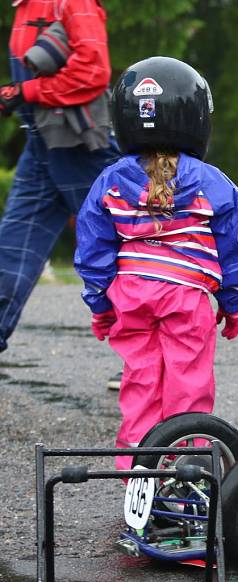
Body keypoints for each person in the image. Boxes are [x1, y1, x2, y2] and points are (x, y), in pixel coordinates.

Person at [74, 56, 238, 469]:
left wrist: (101, 307)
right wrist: (232, 303)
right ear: (195, 118)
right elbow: (232, 251)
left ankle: (137, 476)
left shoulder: (110, 181)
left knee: (139, 385)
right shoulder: (213, 182)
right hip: (186, 300)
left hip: (130, 296)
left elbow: (93, 252)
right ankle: (185, 474)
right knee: (187, 388)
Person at [0, 0, 118, 354]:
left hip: (82, 145)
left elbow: (94, 70)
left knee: (123, 252)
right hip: (41, 142)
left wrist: (26, 92)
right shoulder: (23, 6)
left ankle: (153, 357)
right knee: (11, 250)